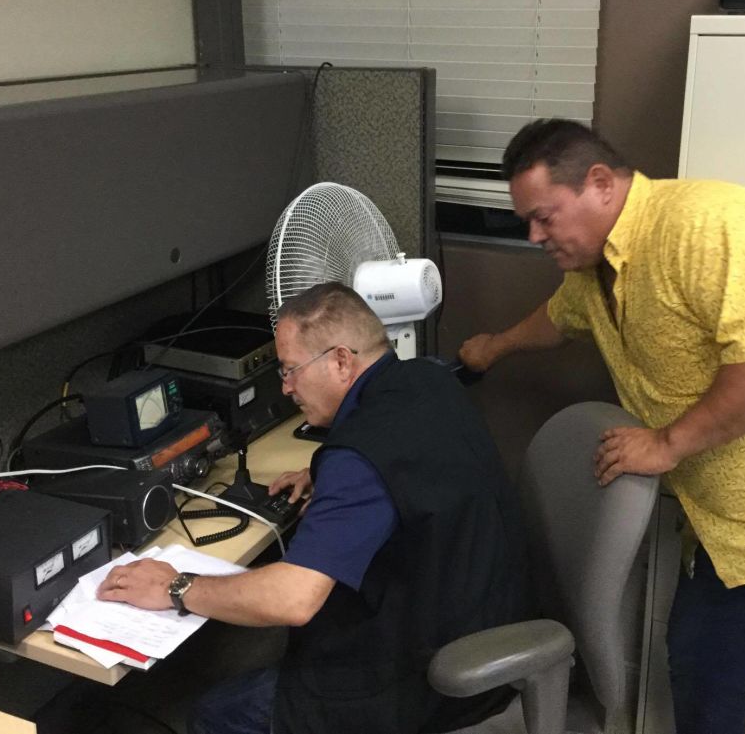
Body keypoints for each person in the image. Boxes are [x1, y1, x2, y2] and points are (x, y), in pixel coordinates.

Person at [458, 118, 745, 734]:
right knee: (701, 673)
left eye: (544, 216)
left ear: (600, 183)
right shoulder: (594, 270)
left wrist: (666, 443)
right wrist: (495, 346)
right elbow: (562, 317)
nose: (534, 234)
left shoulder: (709, 222)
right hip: (724, 525)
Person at [100, 282, 533, 734]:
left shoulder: (360, 459)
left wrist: (176, 586)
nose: (285, 388)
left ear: (341, 360)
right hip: (485, 617)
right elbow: (412, 465)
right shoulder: (427, 380)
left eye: (290, 370)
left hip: (431, 680)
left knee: (216, 713)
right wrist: (323, 472)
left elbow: (294, 600)